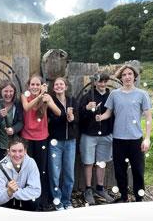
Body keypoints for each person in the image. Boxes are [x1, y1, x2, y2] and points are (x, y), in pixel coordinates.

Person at [96, 64, 152, 203]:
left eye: (130, 74)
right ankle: (124, 197)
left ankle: (139, 198)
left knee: (138, 171)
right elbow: (108, 113)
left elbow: (148, 117)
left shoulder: (142, 94)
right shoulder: (115, 94)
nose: (127, 77)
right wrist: (100, 117)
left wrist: (147, 138)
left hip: (135, 139)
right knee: (120, 171)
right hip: (118, 139)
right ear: (121, 78)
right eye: (124, 75)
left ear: (134, 77)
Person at [20, 74, 61, 210]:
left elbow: (58, 112)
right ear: (29, 85)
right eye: (33, 84)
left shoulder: (46, 97)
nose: (35, 87)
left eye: (38, 84)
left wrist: (47, 99)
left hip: (42, 138)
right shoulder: (24, 95)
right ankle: (28, 202)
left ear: (41, 85)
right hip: (27, 138)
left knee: (41, 171)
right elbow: (27, 108)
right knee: (27, 170)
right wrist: (40, 95)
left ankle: (42, 201)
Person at [79, 73, 114, 205]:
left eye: (105, 81)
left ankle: (100, 188)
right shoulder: (88, 97)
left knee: (101, 162)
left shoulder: (111, 96)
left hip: (105, 134)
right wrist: (87, 109)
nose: (102, 84)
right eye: (100, 82)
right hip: (89, 134)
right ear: (95, 83)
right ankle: (88, 189)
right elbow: (79, 115)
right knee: (88, 162)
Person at [47, 77, 78, 210]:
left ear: (66, 87)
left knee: (69, 173)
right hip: (55, 142)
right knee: (54, 173)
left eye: (61, 84)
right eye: (56, 85)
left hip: (70, 141)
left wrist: (73, 119)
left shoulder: (72, 100)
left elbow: (78, 119)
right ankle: (57, 201)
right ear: (53, 88)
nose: (59, 86)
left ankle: (67, 200)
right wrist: (65, 117)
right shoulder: (50, 101)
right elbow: (51, 121)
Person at [0, 137, 41, 211]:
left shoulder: (31, 163)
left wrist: (14, 192)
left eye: (20, 151)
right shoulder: (0, 168)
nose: (17, 155)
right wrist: (8, 192)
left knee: (34, 202)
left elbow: (36, 191)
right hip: (7, 202)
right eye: (14, 151)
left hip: (26, 201)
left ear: (25, 151)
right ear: (8, 152)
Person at [0, 80, 23, 164]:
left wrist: (13, 129)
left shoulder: (17, 103)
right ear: (0, 91)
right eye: (5, 91)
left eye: (11, 91)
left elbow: (21, 122)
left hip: (13, 145)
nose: (8, 94)